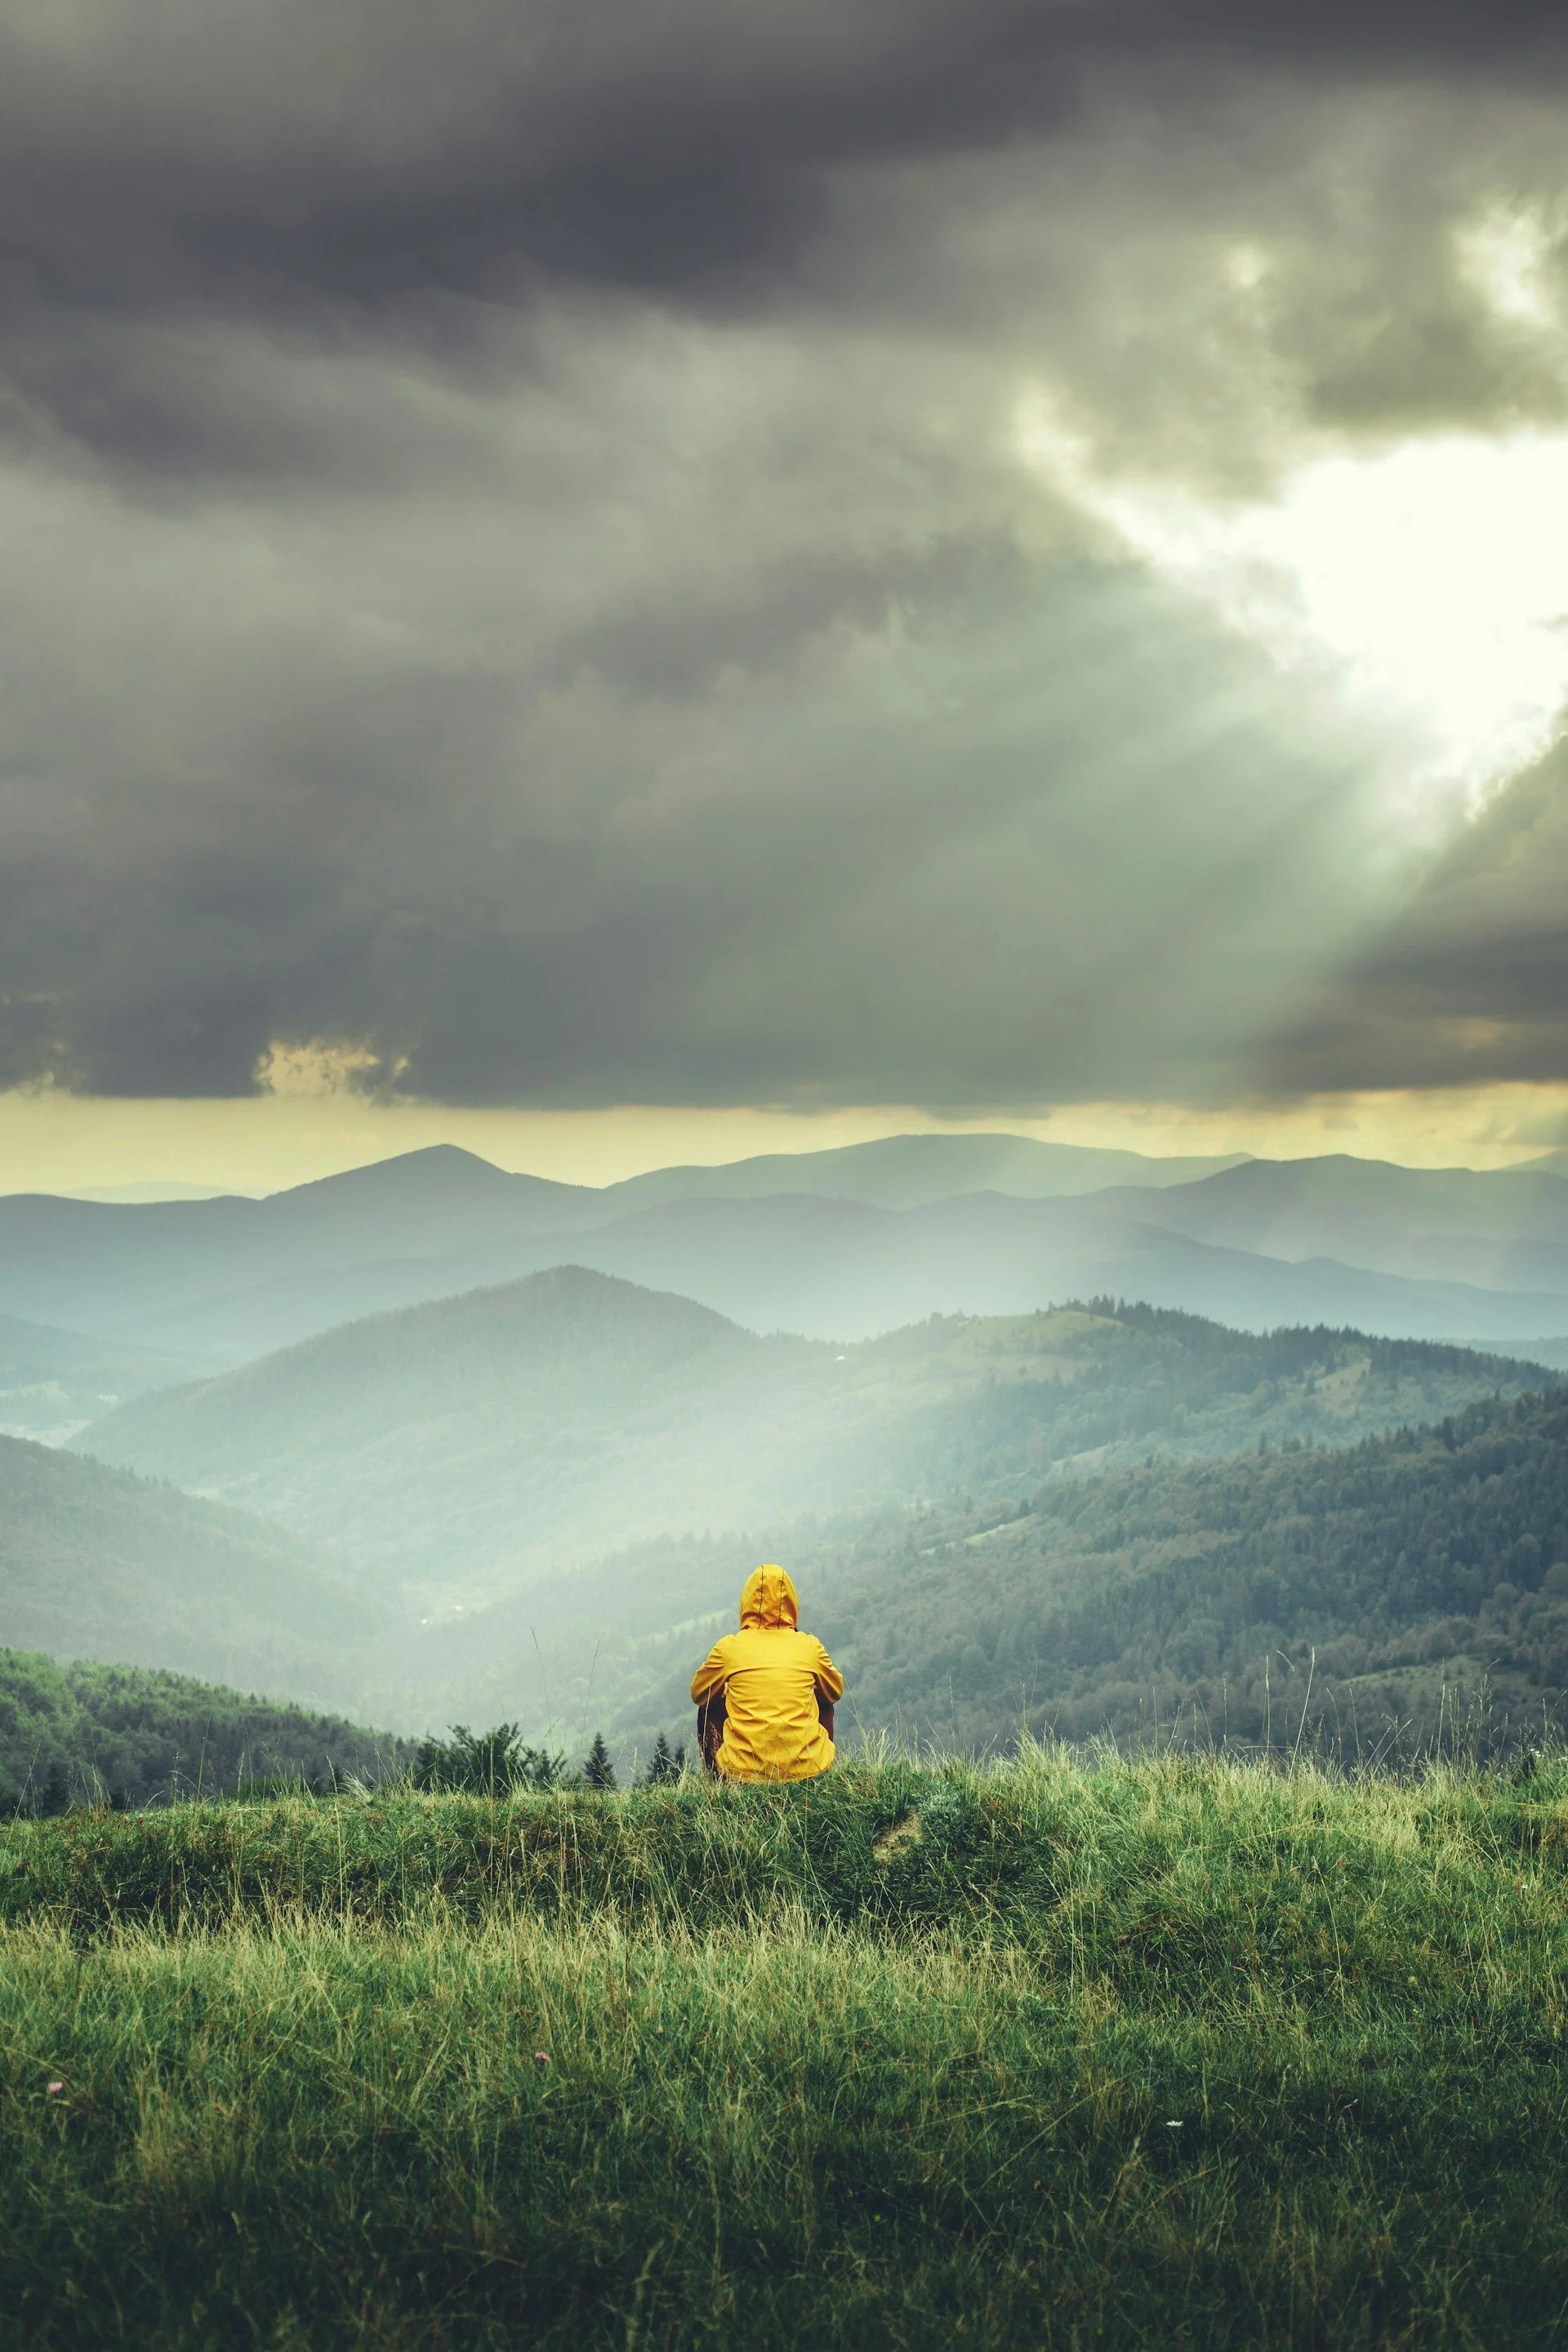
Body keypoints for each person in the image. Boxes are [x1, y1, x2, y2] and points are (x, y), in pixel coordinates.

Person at [691, 1565, 844, 1783]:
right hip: (806, 1770)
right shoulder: (809, 1646)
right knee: (824, 1699)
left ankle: (718, 1782)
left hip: (742, 1773)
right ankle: (821, 1770)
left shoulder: (729, 1648)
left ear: (746, 1602)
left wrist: (728, 1692)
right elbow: (835, 1693)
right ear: (791, 1602)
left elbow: (699, 1694)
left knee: (708, 1707)